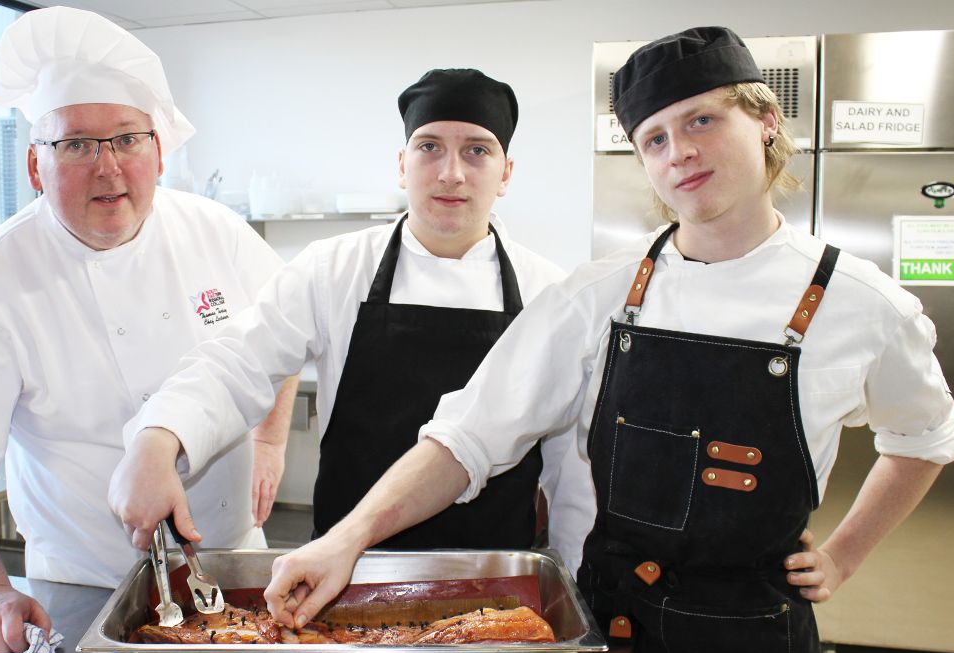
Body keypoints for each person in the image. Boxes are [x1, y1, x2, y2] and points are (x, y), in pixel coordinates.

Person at [263, 26, 954, 653]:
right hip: (611, 624)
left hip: (756, 631)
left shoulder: (861, 303)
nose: (680, 151)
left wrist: (844, 554)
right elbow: (465, 438)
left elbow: (927, 436)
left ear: (766, 121)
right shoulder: (597, 294)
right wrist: (345, 538)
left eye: (702, 120)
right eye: (654, 138)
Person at [0, 7, 296, 653]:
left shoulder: (217, 233)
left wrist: (271, 441)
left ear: (158, 151)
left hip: (235, 567)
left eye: (127, 138)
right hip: (82, 586)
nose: (107, 167)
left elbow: (282, 336)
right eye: (75, 143)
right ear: (35, 166)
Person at [108, 68, 594, 571]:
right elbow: (236, 363)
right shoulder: (333, 269)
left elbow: (571, 469)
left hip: (494, 583)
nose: (452, 171)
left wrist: (577, 588)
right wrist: (158, 436)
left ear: (506, 173)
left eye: (477, 150)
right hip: (345, 572)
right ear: (402, 165)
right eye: (429, 147)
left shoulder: (548, 295)